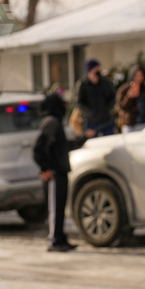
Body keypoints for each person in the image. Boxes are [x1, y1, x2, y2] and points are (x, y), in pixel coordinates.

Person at [33, 93, 93, 252]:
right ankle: (54, 240)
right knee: (54, 209)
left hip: (60, 172)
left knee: (59, 208)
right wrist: (45, 168)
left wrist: (82, 139)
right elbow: (38, 148)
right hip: (54, 174)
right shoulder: (51, 122)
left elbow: (62, 147)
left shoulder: (56, 122)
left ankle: (60, 237)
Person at [75, 58, 116, 137]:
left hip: (106, 120)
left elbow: (113, 96)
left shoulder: (105, 82)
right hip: (91, 122)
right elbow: (79, 102)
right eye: (95, 70)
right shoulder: (82, 85)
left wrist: (108, 108)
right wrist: (89, 113)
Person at [117, 65, 145, 133]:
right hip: (130, 125)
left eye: (140, 75)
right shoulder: (124, 89)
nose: (138, 78)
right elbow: (122, 106)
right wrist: (129, 97)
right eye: (136, 75)